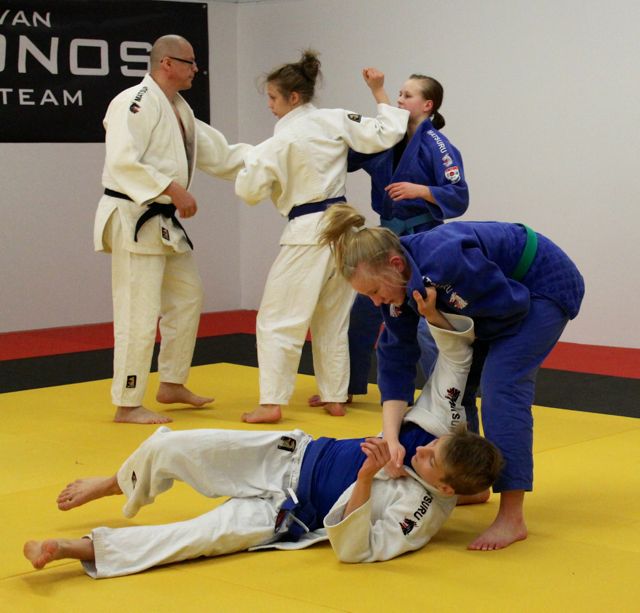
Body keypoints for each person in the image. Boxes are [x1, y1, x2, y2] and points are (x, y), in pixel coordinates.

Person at [23, 297, 503, 576]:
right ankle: (114, 483)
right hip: (287, 456)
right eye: (432, 445)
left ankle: (74, 549)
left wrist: (366, 477)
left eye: (430, 459)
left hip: (284, 514)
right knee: (170, 444)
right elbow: (455, 362)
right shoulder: (442, 426)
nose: (424, 448)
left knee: (197, 538)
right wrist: (435, 316)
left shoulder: (421, 513)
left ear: (443, 487)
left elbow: (356, 550)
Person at [318, 203, 585, 551]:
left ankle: (512, 515)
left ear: (395, 264)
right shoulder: (397, 284)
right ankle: (470, 483)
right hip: (498, 302)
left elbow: (512, 306)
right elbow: (395, 360)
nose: (375, 302)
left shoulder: (445, 260)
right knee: (455, 382)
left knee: (501, 386)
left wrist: (438, 319)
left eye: (373, 292)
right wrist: (391, 437)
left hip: (540, 285)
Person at [234, 51, 409, 424]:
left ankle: (271, 402)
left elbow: (248, 192)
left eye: (273, 98)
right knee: (332, 317)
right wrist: (379, 92)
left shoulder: (279, 141)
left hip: (307, 233)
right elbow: (388, 132)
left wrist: (250, 163)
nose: (269, 106)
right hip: (345, 229)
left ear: (293, 97)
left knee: (278, 319)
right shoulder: (334, 119)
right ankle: (334, 395)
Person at [94, 35, 250, 425]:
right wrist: (172, 189)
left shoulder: (179, 108)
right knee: (138, 311)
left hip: (162, 222)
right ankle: (127, 402)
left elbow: (223, 155)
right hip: (134, 215)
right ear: (167, 63)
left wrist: (280, 154)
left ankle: (172, 382)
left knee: (187, 296)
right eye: (190, 62)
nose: (196, 69)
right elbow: (122, 161)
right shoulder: (134, 102)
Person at [334, 72, 469, 404]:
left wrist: (420, 190)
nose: (399, 100)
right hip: (387, 238)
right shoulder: (387, 140)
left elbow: (459, 196)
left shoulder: (438, 145)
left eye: (408, 96)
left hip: (425, 238)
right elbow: (350, 156)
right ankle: (343, 388)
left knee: (427, 325)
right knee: (363, 312)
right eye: (399, 94)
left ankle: (447, 400)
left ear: (427, 105)